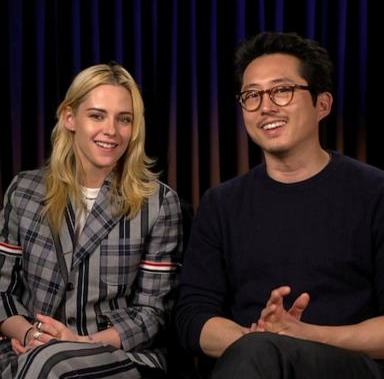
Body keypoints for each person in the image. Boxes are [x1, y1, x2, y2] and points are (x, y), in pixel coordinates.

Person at [175, 31, 384, 378]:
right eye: (252, 96)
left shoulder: (375, 192)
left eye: (282, 91)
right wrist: (256, 339)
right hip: (253, 362)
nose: (266, 106)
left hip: (353, 367)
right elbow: (192, 318)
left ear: (322, 104)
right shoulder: (221, 204)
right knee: (257, 352)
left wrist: (304, 336)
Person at [0, 62, 183, 378]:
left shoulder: (159, 203)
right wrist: (30, 335)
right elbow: (3, 289)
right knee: (42, 361)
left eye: (123, 119)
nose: (111, 130)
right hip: (25, 351)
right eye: (97, 115)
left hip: (118, 357)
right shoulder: (24, 191)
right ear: (70, 118)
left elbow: (155, 313)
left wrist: (78, 342)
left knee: (50, 363)